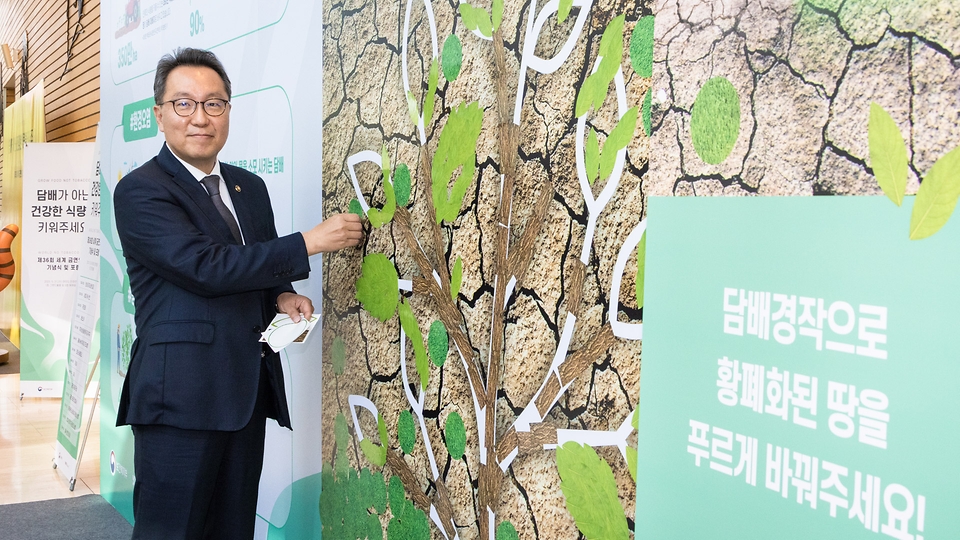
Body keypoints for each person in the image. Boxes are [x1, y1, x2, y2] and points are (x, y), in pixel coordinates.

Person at [113, 47, 362, 539]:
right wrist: (310, 242)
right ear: (159, 114)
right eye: (184, 104)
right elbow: (205, 267)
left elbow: (258, 267)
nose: (200, 117)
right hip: (179, 399)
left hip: (245, 390)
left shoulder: (249, 186)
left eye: (214, 103)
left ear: (228, 112)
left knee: (232, 529)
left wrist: (281, 298)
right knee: (172, 530)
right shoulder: (141, 190)